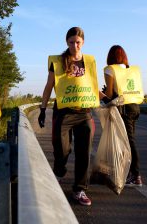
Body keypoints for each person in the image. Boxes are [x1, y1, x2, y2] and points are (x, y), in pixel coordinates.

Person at [38, 27, 101, 206]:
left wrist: (109, 99)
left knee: (84, 152)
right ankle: (59, 172)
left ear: (83, 43)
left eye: (78, 42)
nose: (75, 45)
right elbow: (49, 86)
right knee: (62, 149)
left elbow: (93, 86)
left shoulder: (89, 61)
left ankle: (79, 189)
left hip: (84, 113)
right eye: (71, 42)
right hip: (64, 112)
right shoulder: (58, 62)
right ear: (67, 42)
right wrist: (43, 109)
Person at [103, 45, 144, 187]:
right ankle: (127, 173)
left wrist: (103, 93)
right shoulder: (131, 70)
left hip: (123, 108)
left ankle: (136, 175)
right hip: (135, 107)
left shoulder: (110, 69)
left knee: (128, 142)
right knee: (129, 141)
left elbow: (109, 94)